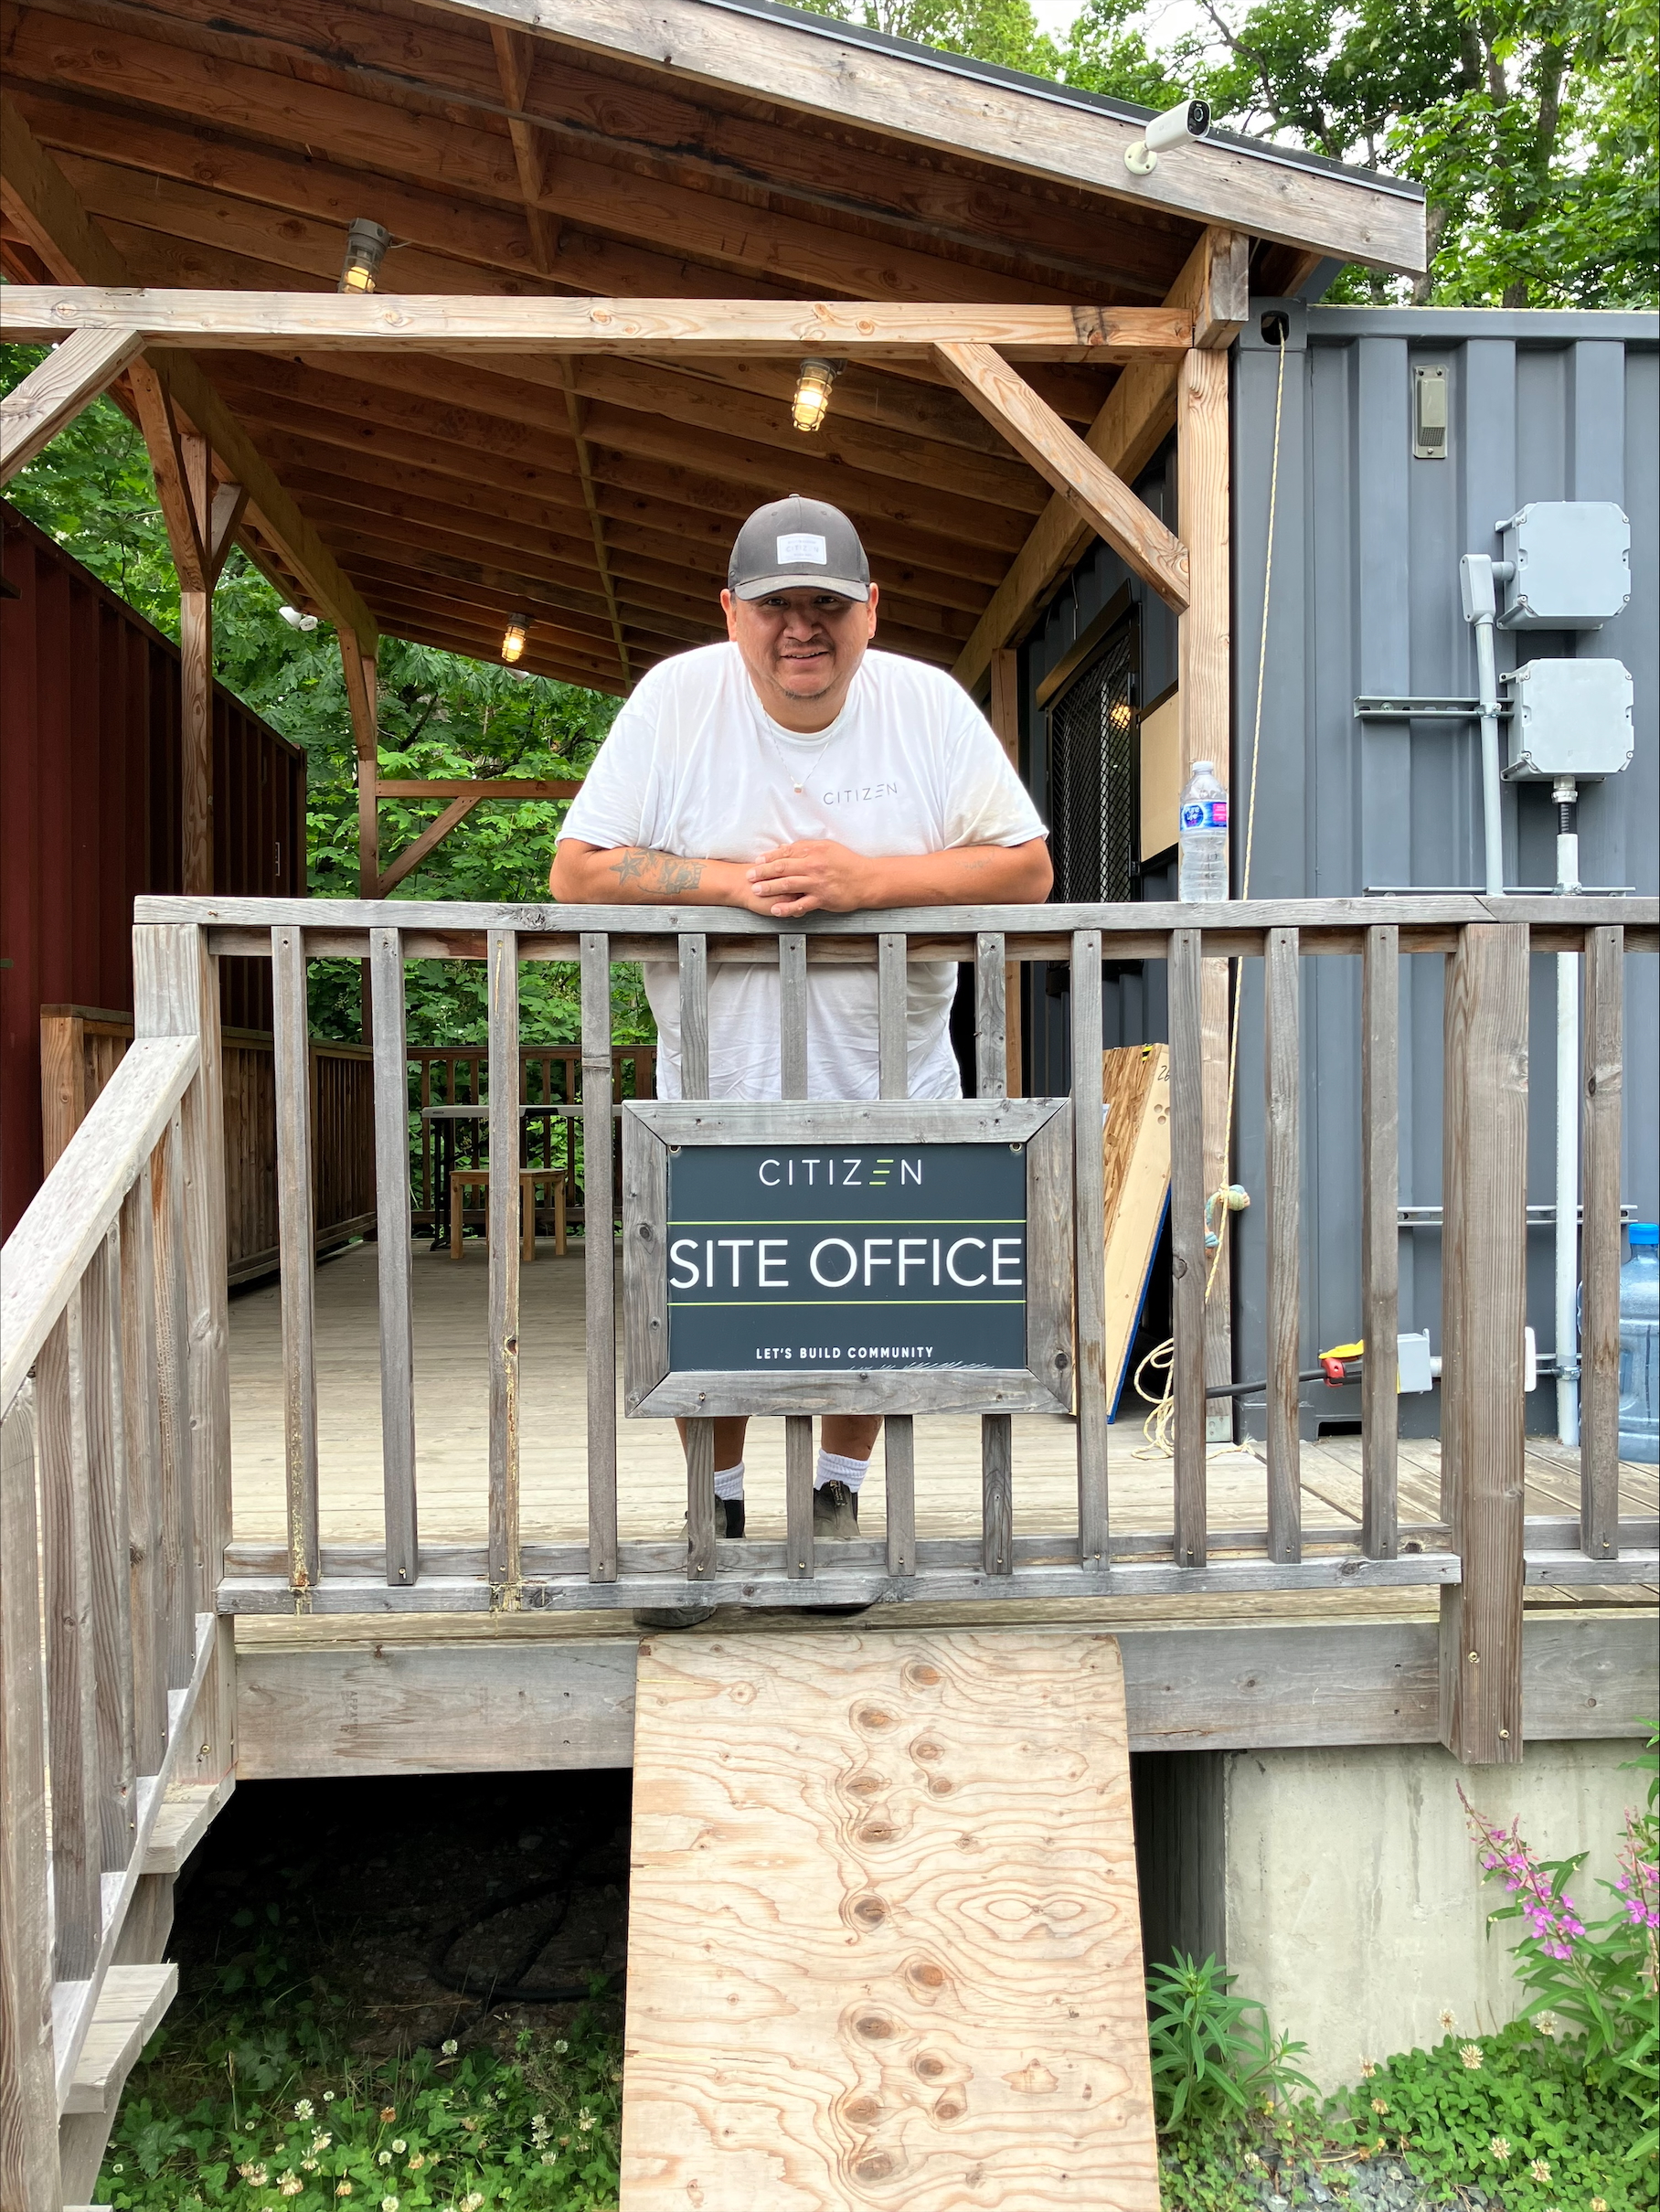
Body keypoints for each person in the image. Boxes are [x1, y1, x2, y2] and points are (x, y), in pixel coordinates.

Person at [550, 495, 1050, 1546]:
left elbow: (1026, 865)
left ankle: (836, 1494)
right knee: (715, 1299)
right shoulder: (674, 700)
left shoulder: (927, 705)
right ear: (731, 611)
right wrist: (730, 882)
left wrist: (869, 882)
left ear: (872, 608)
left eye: (826, 601)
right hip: (714, 1078)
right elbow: (580, 871)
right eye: (778, 602)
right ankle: (715, 1503)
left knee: (871, 1301)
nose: (801, 627)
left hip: (891, 1073)